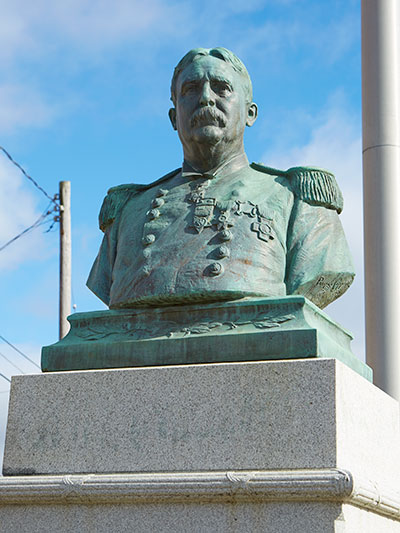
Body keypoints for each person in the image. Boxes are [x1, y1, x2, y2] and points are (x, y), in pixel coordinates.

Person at [87, 47, 354, 310]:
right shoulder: (129, 211)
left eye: (221, 87)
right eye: (190, 89)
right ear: (173, 118)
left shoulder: (298, 202)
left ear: (250, 113)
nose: (205, 98)